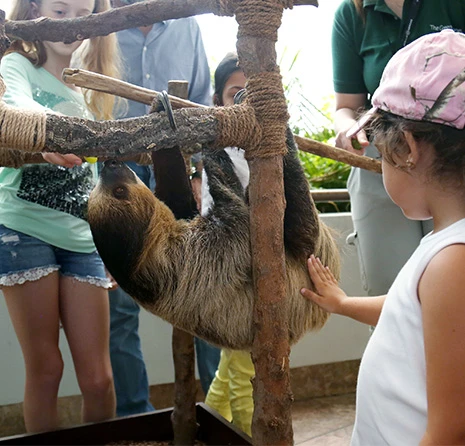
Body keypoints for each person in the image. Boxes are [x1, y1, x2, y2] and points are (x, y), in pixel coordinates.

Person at [302, 29, 465, 445]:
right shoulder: (446, 247)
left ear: (407, 146)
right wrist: (342, 303)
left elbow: (450, 431)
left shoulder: (453, 263)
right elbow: (410, 312)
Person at [0, 0, 120, 433]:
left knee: (99, 379)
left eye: (83, 13)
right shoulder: (15, 65)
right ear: (34, 11)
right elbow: (14, 105)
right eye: (60, 10)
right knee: (46, 369)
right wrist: (42, 132)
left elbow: (90, 182)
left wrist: (107, 243)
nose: (72, 24)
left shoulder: (83, 93)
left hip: (82, 238)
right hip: (22, 229)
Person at [108, 0, 220, 417]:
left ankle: (217, 405)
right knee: (120, 306)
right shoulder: (100, 25)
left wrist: (197, 174)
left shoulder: (187, 25)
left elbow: (203, 101)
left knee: (203, 286)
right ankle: (134, 417)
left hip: (178, 167)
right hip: (117, 177)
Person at [332, 0, 465, 296]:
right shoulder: (351, 14)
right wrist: (348, 129)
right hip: (384, 156)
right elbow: (346, 106)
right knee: (391, 286)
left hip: (449, 162)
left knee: (449, 285)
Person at [201, 52, 254, 437]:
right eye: (236, 92)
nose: (244, 100)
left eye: (253, 92)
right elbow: (221, 211)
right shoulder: (218, 147)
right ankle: (251, 436)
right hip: (228, 262)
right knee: (245, 366)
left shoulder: (268, 142)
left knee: (233, 362)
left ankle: (209, 424)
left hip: (258, 259)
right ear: (219, 99)